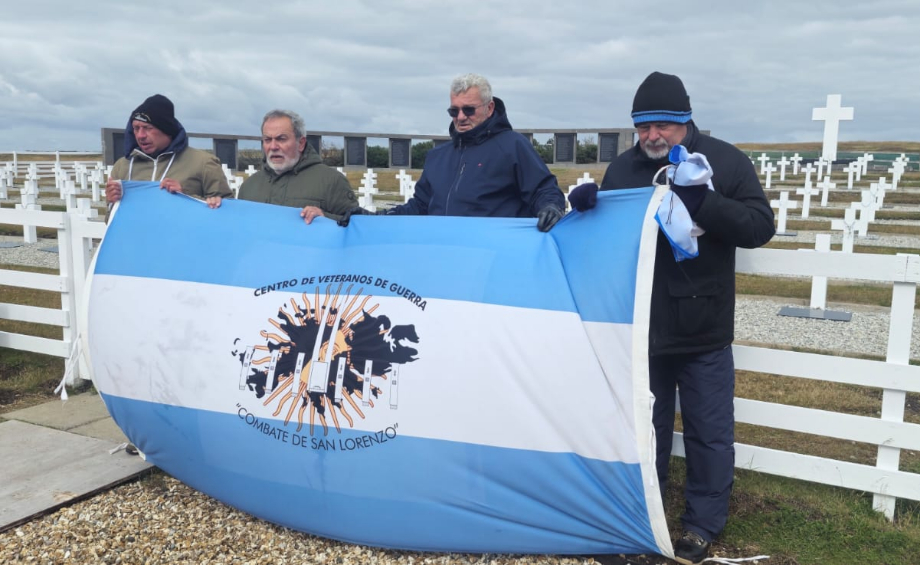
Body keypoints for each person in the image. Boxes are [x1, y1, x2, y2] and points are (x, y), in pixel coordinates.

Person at [569, 72, 775, 565]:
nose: (653, 136)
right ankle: (649, 518)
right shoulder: (623, 169)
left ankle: (702, 526)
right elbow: (608, 239)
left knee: (708, 431)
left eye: (663, 125)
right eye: (643, 128)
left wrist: (705, 199)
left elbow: (759, 227)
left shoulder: (722, 161)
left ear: (686, 121)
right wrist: (587, 212)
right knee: (646, 429)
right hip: (641, 327)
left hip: (703, 325)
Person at [338, 74, 564, 230]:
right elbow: (419, 207)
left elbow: (542, 190)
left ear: (490, 107)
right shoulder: (438, 156)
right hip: (443, 252)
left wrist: (550, 207)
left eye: (469, 109)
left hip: (494, 256)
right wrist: (375, 219)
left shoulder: (513, 146)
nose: (461, 117)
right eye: (454, 111)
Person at [105, 94, 232, 209]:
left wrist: (186, 198)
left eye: (148, 128)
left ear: (167, 130)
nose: (140, 135)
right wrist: (113, 204)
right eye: (136, 128)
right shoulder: (122, 166)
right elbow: (110, 222)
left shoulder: (204, 163)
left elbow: (228, 212)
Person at [238, 109, 358, 224]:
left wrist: (325, 218)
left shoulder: (331, 181)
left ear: (300, 143)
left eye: (281, 139)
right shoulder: (249, 187)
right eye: (267, 140)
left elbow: (357, 225)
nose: (273, 146)